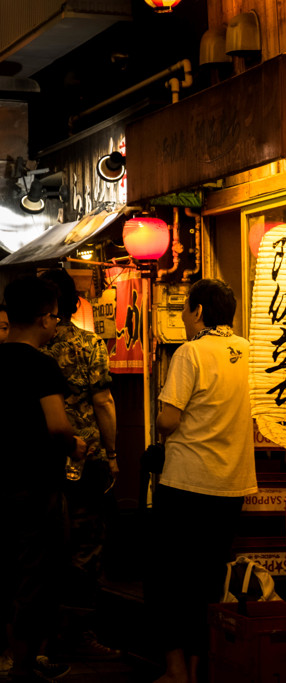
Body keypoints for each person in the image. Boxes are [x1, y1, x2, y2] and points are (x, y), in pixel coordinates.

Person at [149, 279, 257, 683]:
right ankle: (199, 668)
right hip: (231, 484)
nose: (182, 316)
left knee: (169, 578)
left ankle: (176, 670)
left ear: (197, 311)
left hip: (186, 483)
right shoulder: (250, 351)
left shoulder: (190, 352)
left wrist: (161, 421)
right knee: (207, 578)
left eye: (185, 309)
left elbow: (168, 419)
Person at [0, 276, 85, 682]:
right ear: (41, 318)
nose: (56, 325)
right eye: (54, 317)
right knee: (34, 575)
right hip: (34, 487)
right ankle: (23, 665)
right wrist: (76, 444)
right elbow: (57, 426)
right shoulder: (41, 365)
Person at [38, 268, 121, 662]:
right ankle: (80, 632)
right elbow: (103, 401)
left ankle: (38, 636)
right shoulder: (88, 345)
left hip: (34, 461)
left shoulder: (26, 347)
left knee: (39, 547)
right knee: (86, 547)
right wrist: (113, 452)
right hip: (83, 460)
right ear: (73, 303)